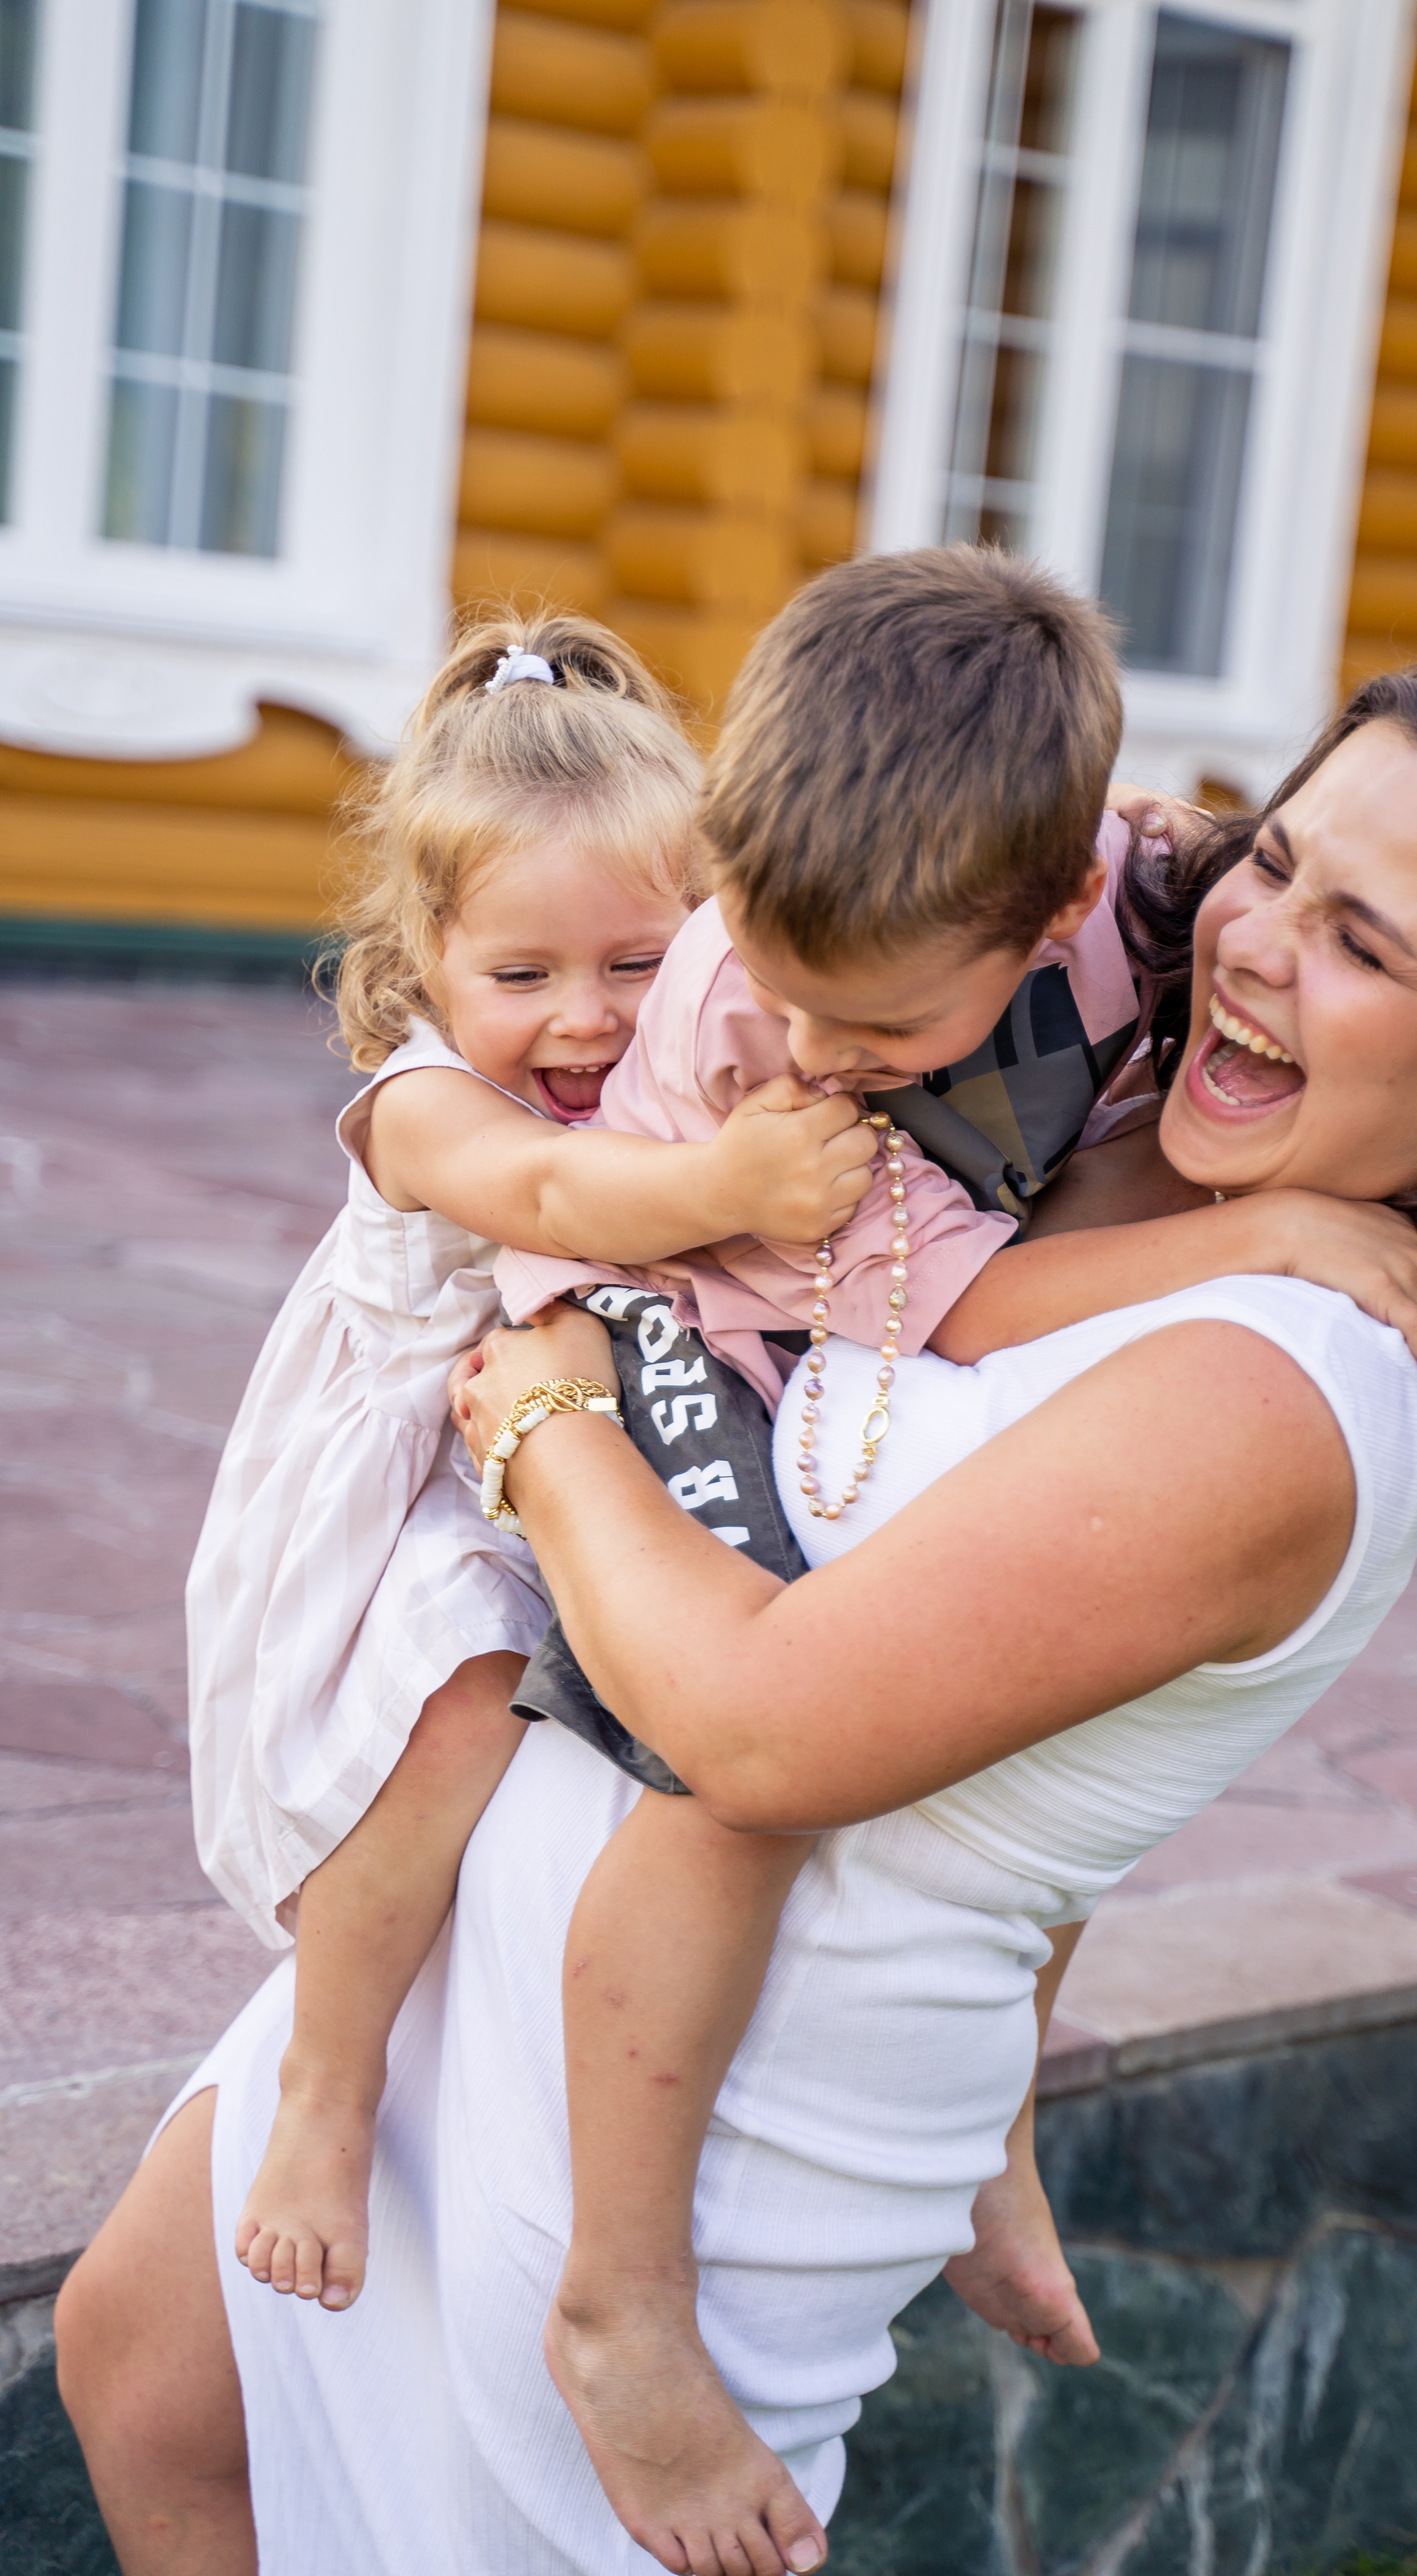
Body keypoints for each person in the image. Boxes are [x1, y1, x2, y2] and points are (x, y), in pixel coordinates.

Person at [58, 647, 1417, 2576]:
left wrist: (543, 1419)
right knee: (152, 2376)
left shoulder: (1295, 1380)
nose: (1256, 938)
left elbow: (758, 1734)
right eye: (1280, 861)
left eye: (1364, 938)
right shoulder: (1127, 1099)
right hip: (462, 1956)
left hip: (694, 2131)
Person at [189, 612, 883, 2317]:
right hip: (419, 1473)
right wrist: (741, 1184)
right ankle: (326, 2086)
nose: (583, 1022)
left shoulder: (674, 1055)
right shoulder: (424, 1102)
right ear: (427, 958)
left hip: (583, 1440)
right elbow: (565, 1208)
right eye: (522, 977)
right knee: (453, 1696)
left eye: (635, 964)